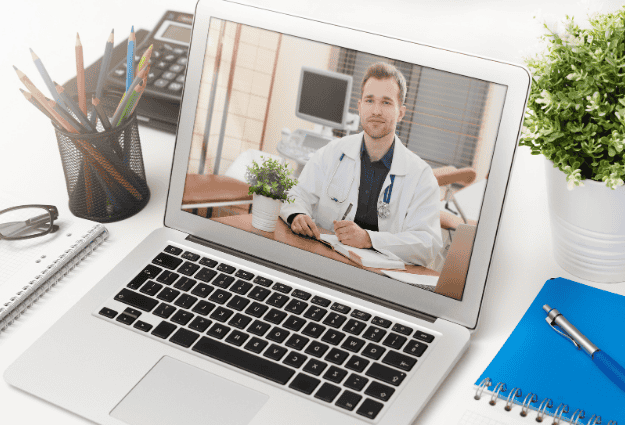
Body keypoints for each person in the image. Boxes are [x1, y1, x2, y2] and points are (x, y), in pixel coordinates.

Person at [280, 62, 442, 267]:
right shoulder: (333, 153)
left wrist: (368, 239)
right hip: (325, 261)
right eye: (369, 100)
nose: (376, 110)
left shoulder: (421, 176)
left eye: (386, 102)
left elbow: (428, 244)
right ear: (359, 106)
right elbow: (297, 194)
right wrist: (298, 214)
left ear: (401, 113)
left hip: (381, 276)